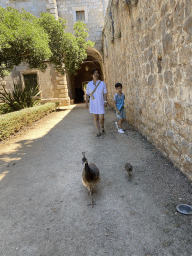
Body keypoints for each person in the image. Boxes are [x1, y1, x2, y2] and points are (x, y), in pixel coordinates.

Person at [85, 68, 107, 137]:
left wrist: (105, 101)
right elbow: (87, 94)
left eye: (97, 73)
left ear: (98, 74)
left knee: (102, 118)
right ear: (92, 75)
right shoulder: (89, 84)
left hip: (100, 102)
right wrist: (86, 103)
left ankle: (102, 126)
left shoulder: (102, 83)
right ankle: (98, 131)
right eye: (94, 73)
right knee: (96, 118)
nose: (96, 74)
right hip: (93, 103)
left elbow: (105, 93)